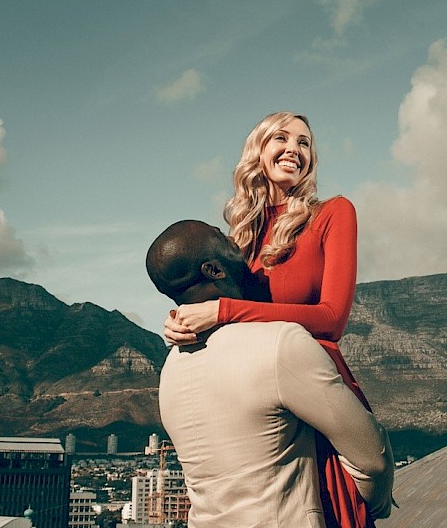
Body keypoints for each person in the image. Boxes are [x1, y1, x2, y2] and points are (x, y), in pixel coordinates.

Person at [164, 112, 371, 527]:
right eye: (281, 138)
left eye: (305, 143)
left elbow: (331, 320)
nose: (294, 149)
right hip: (255, 412)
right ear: (258, 150)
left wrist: (224, 312)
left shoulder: (333, 213)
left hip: (316, 402)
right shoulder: (238, 237)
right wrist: (180, 323)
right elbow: (213, 307)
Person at [146, 220, 393, 527]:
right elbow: (373, 459)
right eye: (224, 239)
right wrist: (373, 508)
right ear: (214, 270)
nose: (237, 243)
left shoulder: (169, 370)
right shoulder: (280, 344)